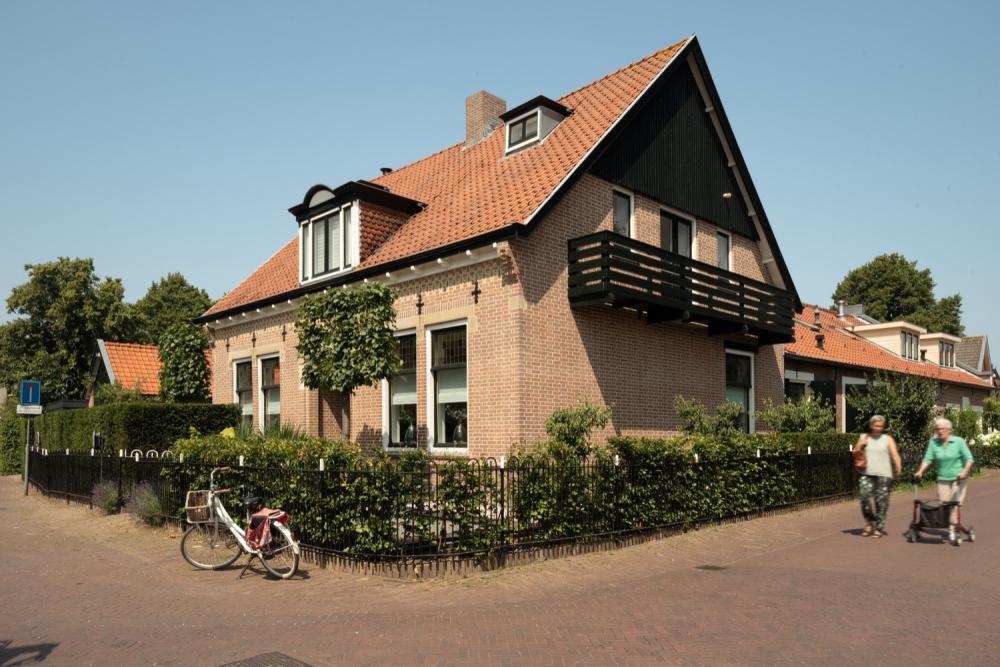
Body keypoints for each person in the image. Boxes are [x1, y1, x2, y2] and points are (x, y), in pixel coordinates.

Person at [915, 417, 974, 542]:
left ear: (949, 430)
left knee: (955, 504)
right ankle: (952, 526)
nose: (939, 431)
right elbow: (927, 459)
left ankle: (952, 529)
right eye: (937, 429)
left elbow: (969, 459)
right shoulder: (933, 442)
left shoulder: (958, 442)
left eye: (942, 429)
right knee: (944, 505)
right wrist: (920, 471)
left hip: (959, 478)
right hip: (942, 478)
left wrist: (964, 471)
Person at [853, 415, 902, 538]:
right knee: (864, 498)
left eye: (880, 426)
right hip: (867, 473)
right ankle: (870, 522)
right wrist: (861, 446)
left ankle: (879, 527)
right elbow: (854, 453)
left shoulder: (887, 439)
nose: (878, 428)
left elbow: (895, 454)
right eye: (876, 425)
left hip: (884, 474)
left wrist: (898, 467)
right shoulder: (864, 437)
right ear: (871, 425)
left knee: (881, 501)